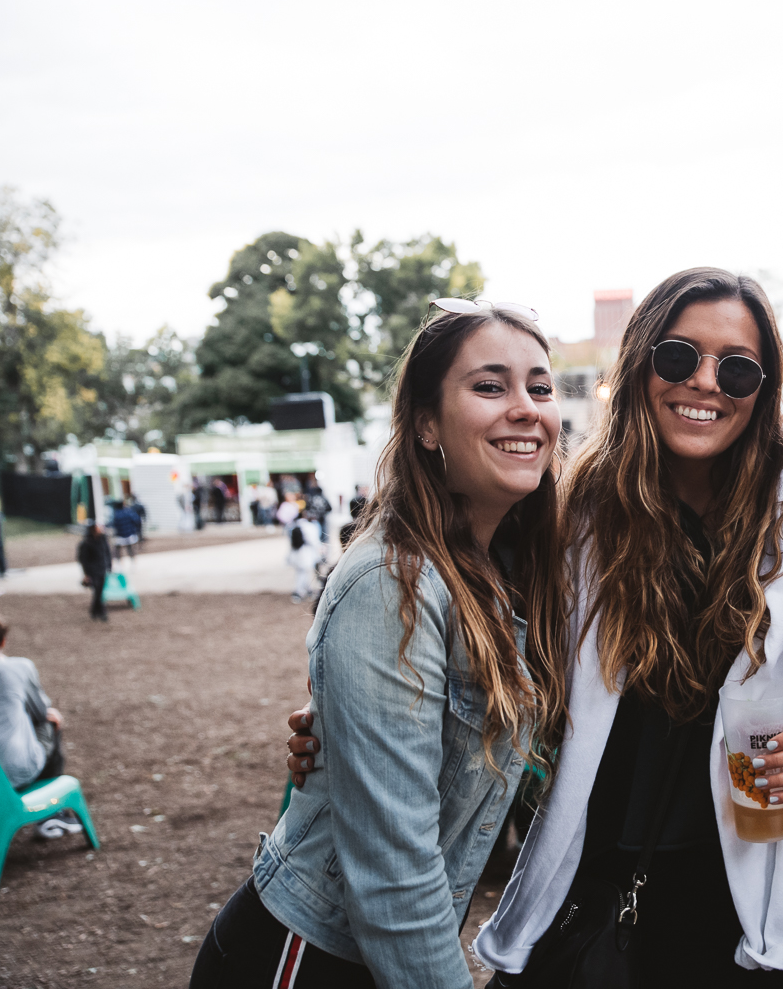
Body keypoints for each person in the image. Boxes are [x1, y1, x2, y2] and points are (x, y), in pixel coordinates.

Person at [473, 269, 783, 987]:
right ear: (642, 364)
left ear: (764, 388)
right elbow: (478, 646)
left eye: (738, 369)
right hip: (611, 885)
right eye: (679, 357)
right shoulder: (569, 519)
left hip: (764, 885)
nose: (706, 383)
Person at [191, 301, 569, 989]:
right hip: (308, 958)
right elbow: (395, 880)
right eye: (490, 386)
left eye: (539, 388)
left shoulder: (514, 567)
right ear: (426, 424)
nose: (526, 408)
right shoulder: (390, 583)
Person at [0, 614, 83, 837]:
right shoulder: (19, 667)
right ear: (3, 642)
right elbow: (40, 712)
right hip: (16, 772)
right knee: (49, 722)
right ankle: (50, 815)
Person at [284, 509, 323, 604]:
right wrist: (320, 548)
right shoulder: (309, 526)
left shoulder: (291, 525)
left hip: (295, 552)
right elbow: (313, 540)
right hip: (305, 552)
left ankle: (306, 590)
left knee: (301, 572)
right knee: (304, 572)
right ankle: (299, 591)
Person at [77, 523, 112, 622]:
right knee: (97, 592)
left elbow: (107, 553)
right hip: (92, 572)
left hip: (102, 569)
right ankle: (102, 613)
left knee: (99, 592)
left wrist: (109, 566)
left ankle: (94, 611)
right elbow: (83, 560)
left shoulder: (103, 540)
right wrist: (86, 574)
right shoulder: (86, 543)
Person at [110, 498, 143, 565]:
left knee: (118, 550)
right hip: (129, 534)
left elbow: (112, 525)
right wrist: (135, 530)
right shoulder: (128, 512)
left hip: (120, 535)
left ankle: (119, 563)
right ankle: (133, 562)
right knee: (130, 549)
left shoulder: (115, 514)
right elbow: (137, 520)